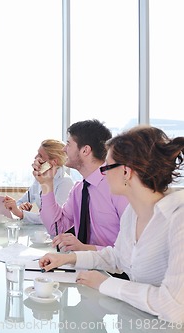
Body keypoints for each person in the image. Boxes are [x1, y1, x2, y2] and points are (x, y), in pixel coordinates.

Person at [39, 125, 184, 323]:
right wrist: (69, 258)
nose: (103, 174)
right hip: (134, 321)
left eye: (107, 167)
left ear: (126, 172)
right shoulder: (133, 214)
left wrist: (107, 284)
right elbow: (118, 257)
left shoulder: (178, 219)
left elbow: (174, 307)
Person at [35, 119, 129, 251]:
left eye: (68, 144)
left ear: (85, 150)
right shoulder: (78, 190)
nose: (64, 149)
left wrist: (86, 249)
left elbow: (133, 249)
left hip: (116, 270)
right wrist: (46, 184)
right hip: (85, 266)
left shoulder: (118, 187)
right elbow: (56, 227)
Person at [3, 139, 74, 224]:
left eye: (40, 155)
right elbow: (21, 202)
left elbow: (53, 219)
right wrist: (19, 207)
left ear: (53, 162)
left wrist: (21, 214)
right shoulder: (40, 178)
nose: (35, 158)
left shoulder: (65, 183)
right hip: (43, 232)